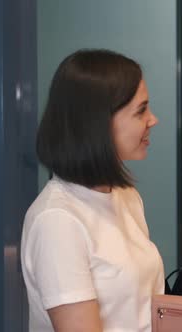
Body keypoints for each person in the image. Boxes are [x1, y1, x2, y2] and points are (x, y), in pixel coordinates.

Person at [21, 49, 163, 332]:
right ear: (99, 123)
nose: (153, 119)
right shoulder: (57, 221)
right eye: (141, 110)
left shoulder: (125, 197)